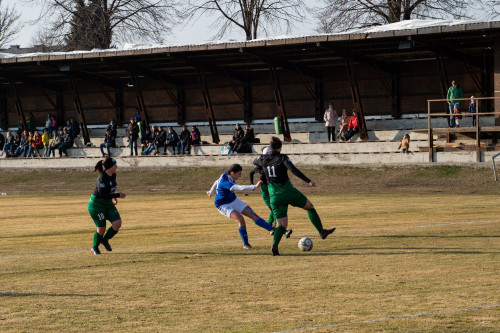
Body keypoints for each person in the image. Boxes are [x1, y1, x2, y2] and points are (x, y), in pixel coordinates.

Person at [255, 137, 336, 256]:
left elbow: (254, 162)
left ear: (270, 148)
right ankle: (322, 232)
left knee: (281, 225)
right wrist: (308, 181)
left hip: (274, 195)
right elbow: (293, 170)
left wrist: (264, 157)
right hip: (288, 191)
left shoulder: (263, 159)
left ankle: (275, 245)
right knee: (310, 207)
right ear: (280, 147)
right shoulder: (282, 157)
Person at [207, 164, 276, 250]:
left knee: (252, 214)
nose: (240, 176)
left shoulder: (225, 175)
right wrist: (254, 186)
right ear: (233, 173)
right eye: (239, 174)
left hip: (233, 199)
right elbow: (239, 188)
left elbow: (216, 181)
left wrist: (211, 191)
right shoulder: (226, 182)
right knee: (240, 219)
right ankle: (246, 244)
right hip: (222, 204)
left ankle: (272, 229)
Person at [250, 146, 293, 237]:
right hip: (265, 189)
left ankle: (272, 228)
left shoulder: (273, 162)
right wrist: (252, 185)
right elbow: (251, 172)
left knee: (274, 209)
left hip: (273, 187)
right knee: (274, 209)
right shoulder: (261, 163)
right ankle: (280, 230)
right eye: (269, 153)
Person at [88, 157, 126, 255]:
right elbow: (102, 194)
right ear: (109, 167)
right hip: (97, 205)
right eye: (115, 165)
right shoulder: (102, 178)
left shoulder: (113, 175)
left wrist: (113, 197)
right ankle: (94, 248)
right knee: (101, 228)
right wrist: (118, 195)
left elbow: (110, 189)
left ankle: (104, 240)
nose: (116, 166)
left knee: (117, 224)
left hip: (108, 204)